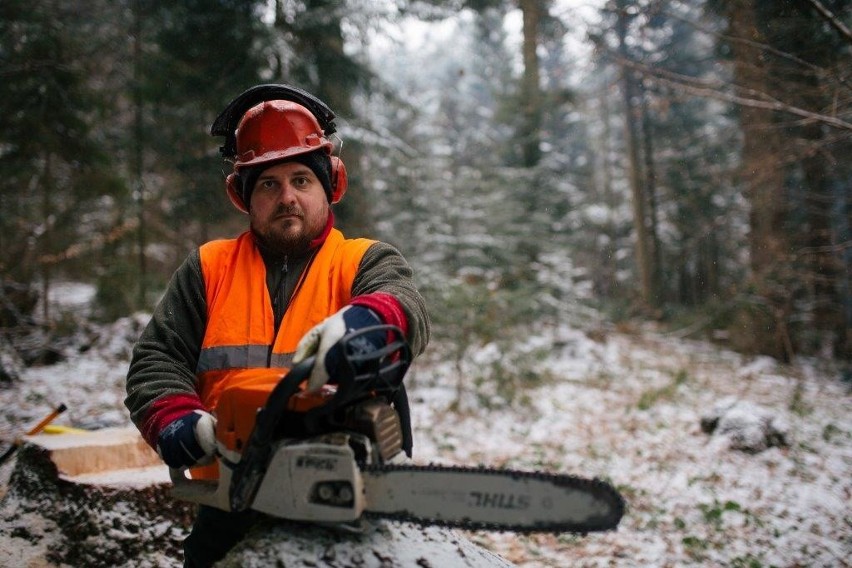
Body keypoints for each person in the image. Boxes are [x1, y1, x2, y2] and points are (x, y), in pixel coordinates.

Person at [124, 84, 430, 567]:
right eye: (269, 183)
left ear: (330, 184)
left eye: (301, 180)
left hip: (338, 497)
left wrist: (363, 323)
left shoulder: (362, 260)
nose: (287, 196)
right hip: (230, 498)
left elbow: (403, 306)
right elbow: (156, 358)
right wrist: (180, 423)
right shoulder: (209, 267)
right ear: (243, 196)